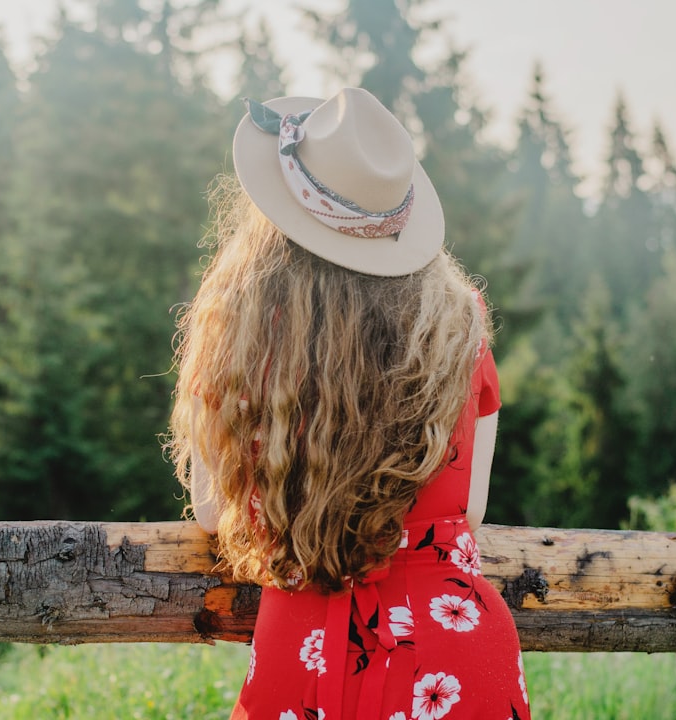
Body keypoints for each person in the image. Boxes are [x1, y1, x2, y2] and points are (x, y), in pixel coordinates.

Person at [166, 87, 530, 720]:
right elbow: (468, 511)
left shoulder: (239, 329)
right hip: (454, 649)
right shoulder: (460, 324)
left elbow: (209, 510)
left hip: (304, 647)